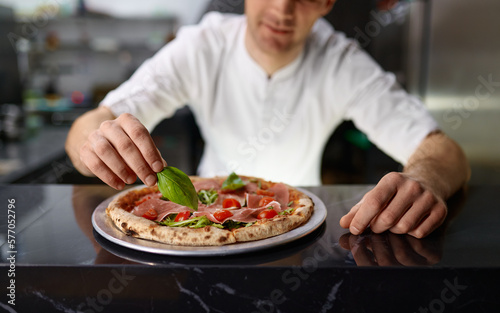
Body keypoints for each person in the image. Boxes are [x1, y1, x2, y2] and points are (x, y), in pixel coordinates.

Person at [65, 0, 470, 238]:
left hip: (297, 235)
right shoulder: (203, 44)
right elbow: (92, 124)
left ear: (327, 3)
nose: (282, 9)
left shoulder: (341, 60)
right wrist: (96, 140)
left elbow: (444, 152)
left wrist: (425, 179)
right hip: (196, 219)